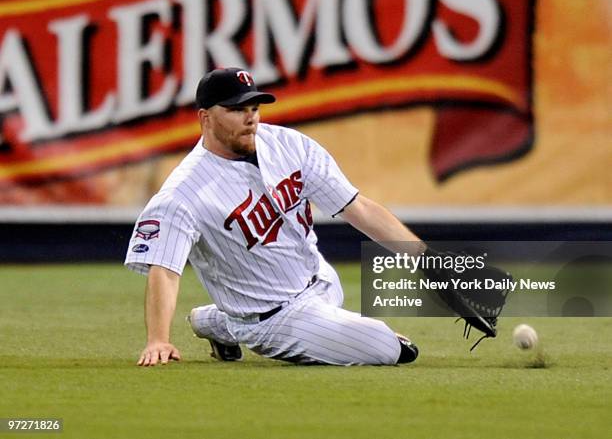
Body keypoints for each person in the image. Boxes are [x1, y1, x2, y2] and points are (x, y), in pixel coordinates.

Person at [125, 67, 502, 366]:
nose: (250, 117)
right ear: (205, 117)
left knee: (332, 310)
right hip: (273, 318)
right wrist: (158, 339)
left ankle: (218, 322)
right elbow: (165, 269)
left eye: (254, 107)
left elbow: (359, 208)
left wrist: (427, 260)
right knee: (388, 347)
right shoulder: (183, 193)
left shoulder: (290, 145)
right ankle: (240, 325)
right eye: (237, 109)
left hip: (320, 282)